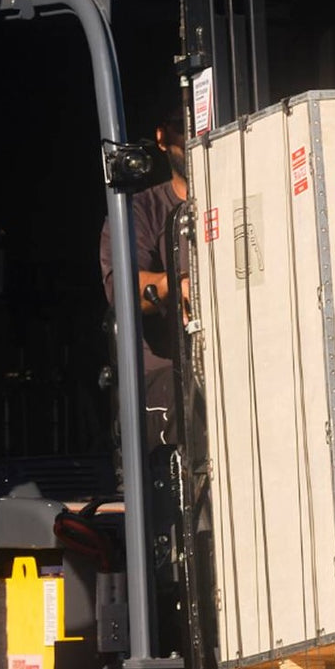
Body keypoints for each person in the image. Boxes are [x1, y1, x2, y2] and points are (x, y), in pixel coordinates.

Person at [98, 113, 188, 451]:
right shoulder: (140, 211)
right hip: (165, 377)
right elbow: (124, 291)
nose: (193, 138)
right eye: (183, 127)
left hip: (239, 363)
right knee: (200, 400)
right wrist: (174, 287)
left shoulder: (243, 202)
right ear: (163, 137)